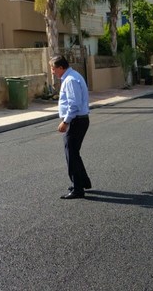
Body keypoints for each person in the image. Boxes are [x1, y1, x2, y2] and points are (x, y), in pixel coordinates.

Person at [49, 55, 92, 199]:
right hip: (79, 120)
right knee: (74, 152)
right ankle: (83, 182)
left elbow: (74, 104)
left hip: (75, 121)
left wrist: (65, 121)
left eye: (53, 68)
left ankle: (78, 189)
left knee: (71, 154)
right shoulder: (73, 76)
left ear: (61, 67)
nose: (52, 71)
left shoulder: (70, 80)